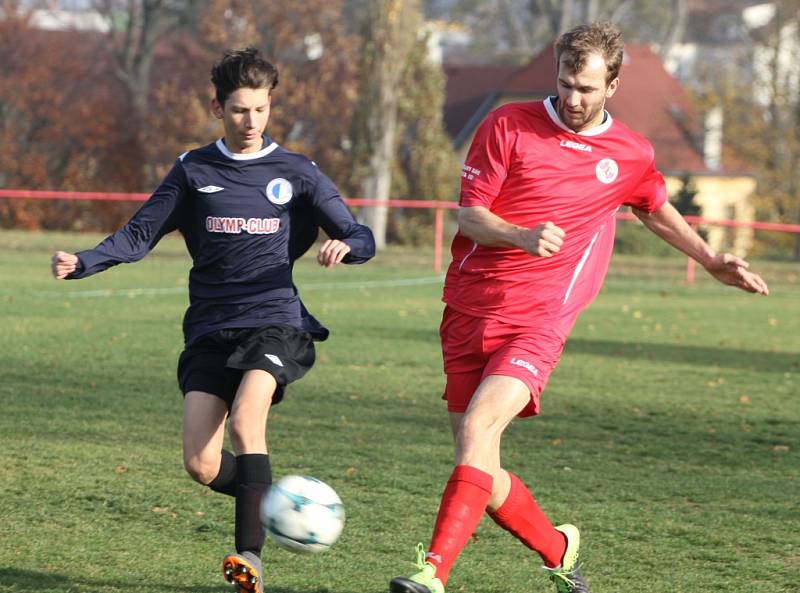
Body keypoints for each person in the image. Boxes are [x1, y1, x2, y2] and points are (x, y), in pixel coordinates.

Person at [389, 22, 768, 593]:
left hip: (540, 320)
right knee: (481, 465)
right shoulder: (506, 125)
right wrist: (519, 235)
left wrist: (710, 257)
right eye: (566, 83)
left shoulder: (630, 152)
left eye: (587, 89)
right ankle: (558, 547)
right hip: (469, 309)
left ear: (612, 85)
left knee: (479, 427)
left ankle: (431, 573)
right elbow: (470, 215)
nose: (572, 98)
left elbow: (654, 205)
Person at [51, 47, 375, 593]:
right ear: (217, 108)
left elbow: (361, 233)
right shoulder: (193, 170)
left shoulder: (296, 173)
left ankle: (248, 558)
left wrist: (346, 244)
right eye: (238, 110)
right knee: (201, 464)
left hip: (275, 321)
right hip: (208, 326)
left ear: (271, 106)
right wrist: (85, 261)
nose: (250, 122)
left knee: (249, 421)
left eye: (260, 110)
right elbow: (138, 235)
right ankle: (272, 499)